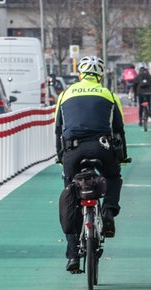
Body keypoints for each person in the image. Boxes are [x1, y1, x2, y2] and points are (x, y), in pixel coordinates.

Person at [55, 55, 128, 272]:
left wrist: (61, 157)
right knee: (113, 177)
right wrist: (121, 156)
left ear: (80, 74)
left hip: (73, 150)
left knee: (71, 195)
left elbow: (58, 128)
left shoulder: (65, 94)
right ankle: (107, 212)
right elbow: (118, 129)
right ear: (100, 75)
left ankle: (72, 256)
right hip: (101, 147)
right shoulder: (108, 94)